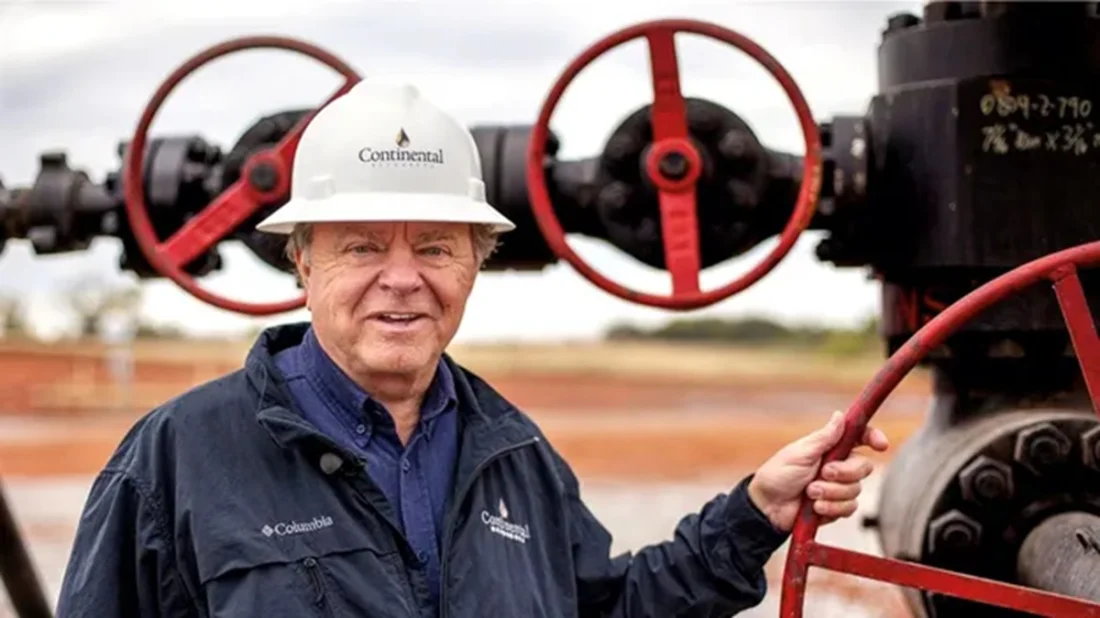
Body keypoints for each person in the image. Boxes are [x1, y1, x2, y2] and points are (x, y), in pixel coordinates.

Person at [55, 79, 888, 618]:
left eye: (435, 247)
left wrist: (755, 514)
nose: (403, 279)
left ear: (474, 264)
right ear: (301, 262)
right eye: (362, 247)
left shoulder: (513, 455)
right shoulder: (177, 460)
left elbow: (606, 608)